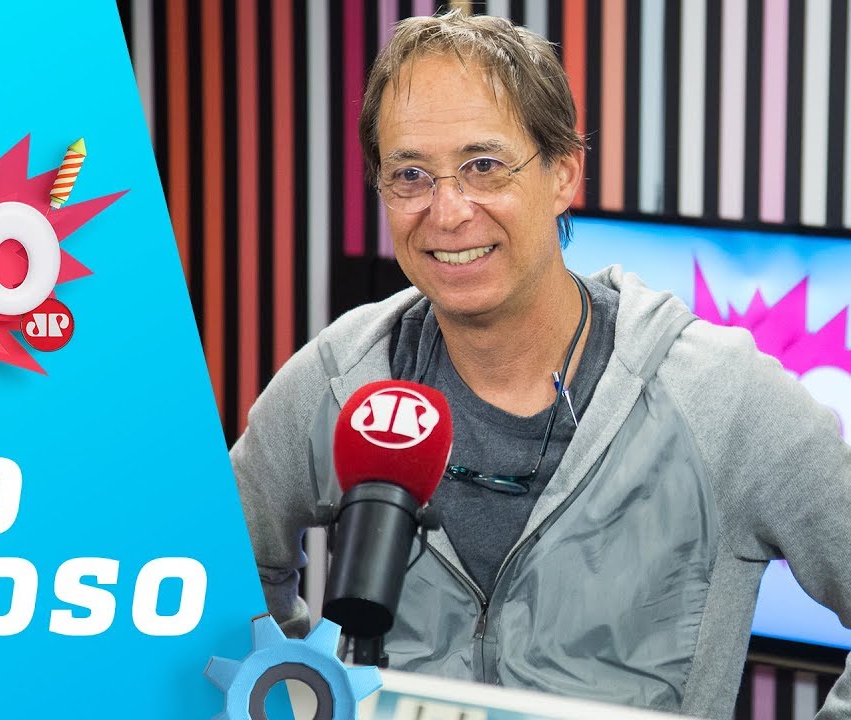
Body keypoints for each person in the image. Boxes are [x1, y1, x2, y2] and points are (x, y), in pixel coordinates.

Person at [229, 10, 851, 719]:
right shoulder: (342, 375)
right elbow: (223, 573)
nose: (447, 211)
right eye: (410, 175)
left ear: (563, 174)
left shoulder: (720, 396)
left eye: (484, 166)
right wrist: (299, 699)